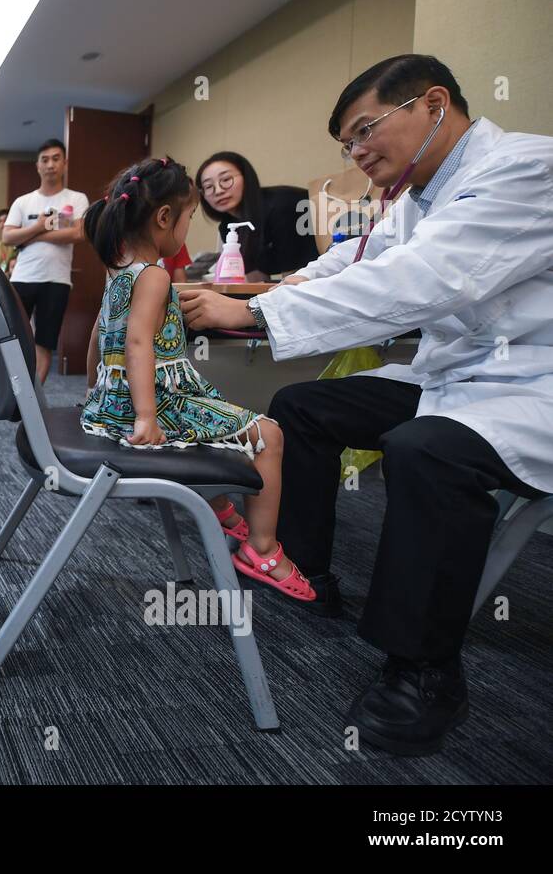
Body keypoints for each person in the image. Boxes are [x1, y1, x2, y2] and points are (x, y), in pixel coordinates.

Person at [180, 54, 553, 755]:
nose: (355, 154)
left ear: (433, 104)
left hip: (531, 388)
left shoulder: (528, 169)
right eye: (346, 143)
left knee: (427, 450)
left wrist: (253, 318)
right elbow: (352, 263)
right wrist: (252, 297)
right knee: (305, 406)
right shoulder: (416, 200)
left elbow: (426, 279)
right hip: (454, 379)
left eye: (364, 130)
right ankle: (304, 568)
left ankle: (422, 671)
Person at [82, 157, 312, 601]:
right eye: (188, 218)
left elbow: (100, 330)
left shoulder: (118, 272)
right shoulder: (152, 275)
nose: (188, 228)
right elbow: (137, 344)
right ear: (164, 218)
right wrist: (147, 416)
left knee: (209, 428)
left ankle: (221, 506)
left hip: (112, 404)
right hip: (154, 403)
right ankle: (261, 549)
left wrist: (92, 389)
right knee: (269, 436)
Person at [1, 139, 89, 383]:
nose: (50, 164)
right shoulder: (23, 201)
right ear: (37, 165)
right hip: (23, 278)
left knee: (45, 341)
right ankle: (9, 391)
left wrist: (32, 232)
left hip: (57, 281)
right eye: (45, 159)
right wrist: (39, 225)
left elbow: (78, 233)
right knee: (14, 337)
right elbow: (8, 236)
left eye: (56, 158)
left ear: (64, 163)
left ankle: (33, 396)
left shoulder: (77, 199)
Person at [196, 152, 317, 280]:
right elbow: (255, 277)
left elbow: (295, 275)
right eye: (208, 186)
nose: (218, 191)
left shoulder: (282, 206)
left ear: (246, 177)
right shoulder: (228, 226)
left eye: (226, 180)